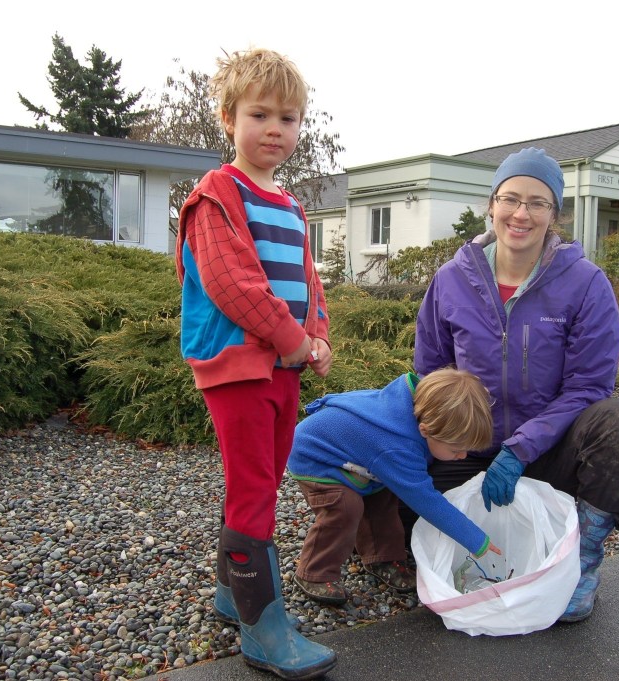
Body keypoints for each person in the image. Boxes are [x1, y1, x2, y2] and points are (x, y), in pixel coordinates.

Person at [412, 147, 619, 623]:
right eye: (511, 199)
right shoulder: (450, 280)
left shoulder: (585, 284)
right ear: (492, 204)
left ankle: (580, 563)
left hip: (549, 453)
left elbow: (589, 386)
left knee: (618, 424)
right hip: (470, 452)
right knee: (413, 528)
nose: (521, 214)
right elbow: (430, 373)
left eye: (538, 203)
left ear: (554, 213)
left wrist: (522, 448)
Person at [174, 47, 336, 679]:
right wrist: (292, 341)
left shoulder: (291, 205)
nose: (276, 129)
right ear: (227, 117)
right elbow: (231, 284)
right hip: (240, 366)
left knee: (262, 481)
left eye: (289, 118)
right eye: (260, 114)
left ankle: (230, 595)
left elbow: (307, 281)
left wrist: (316, 336)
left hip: (284, 368)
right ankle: (263, 631)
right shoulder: (216, 194)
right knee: (252, 487)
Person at [286, 368, 499, 605]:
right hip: (315, 459)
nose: (463, 456)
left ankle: (382, 557)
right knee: (345, 508)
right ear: (425, 431)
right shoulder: (396, 446)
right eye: (455, 449)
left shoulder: (417, 410)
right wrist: (476, 540)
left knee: (384, 498)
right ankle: (314, 572)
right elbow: (427, 501)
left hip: (354, 457)